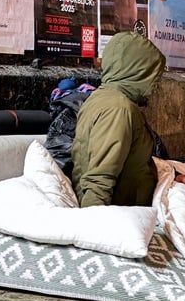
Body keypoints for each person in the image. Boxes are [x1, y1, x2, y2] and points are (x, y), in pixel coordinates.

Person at [71, 31, 166, 207]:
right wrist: (92, 230)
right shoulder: (118, 110)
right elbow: (99, 181)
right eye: (153, 77)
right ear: (138, 72)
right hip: (125, 213)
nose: (156, 86)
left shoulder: (101, 97)